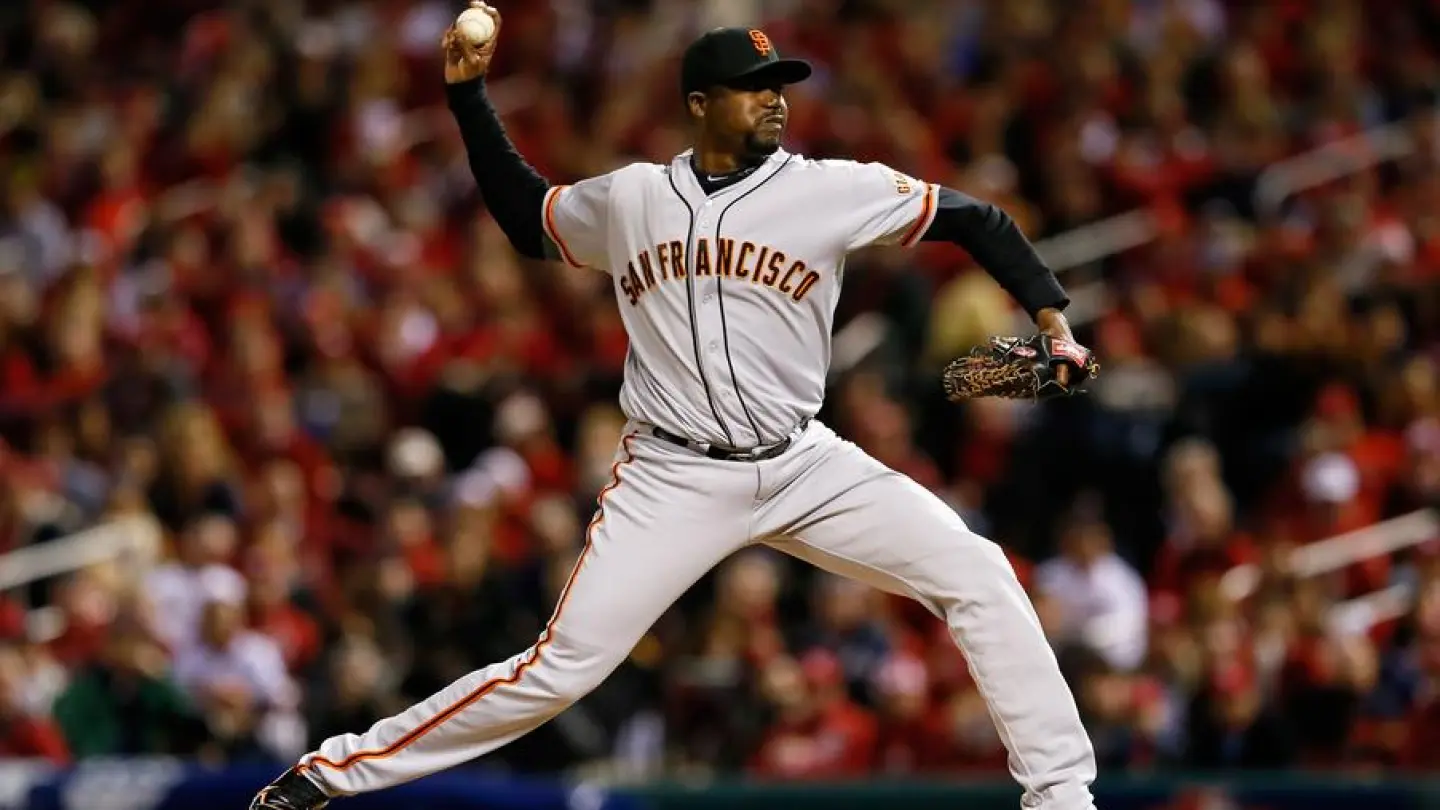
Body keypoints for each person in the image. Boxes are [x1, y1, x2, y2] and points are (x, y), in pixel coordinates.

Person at [251, 5, 1099, 809]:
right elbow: (525, 215)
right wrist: (468, 95)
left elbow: (977, 219)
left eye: (780, 85)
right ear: (699, 103)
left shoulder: (831, 188)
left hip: (804, 462)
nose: (775, 100)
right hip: (673, 473)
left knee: (978, 573)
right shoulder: (633, 199)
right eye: (753, 87)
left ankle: (1062, 796)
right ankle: (328, 776)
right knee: (560, 668)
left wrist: (1052, 320)